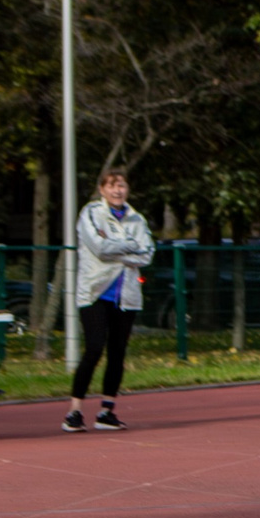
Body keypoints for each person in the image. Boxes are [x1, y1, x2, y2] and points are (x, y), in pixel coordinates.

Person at [63, 170, 154, 433]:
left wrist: (117, 248)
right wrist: (129, 245)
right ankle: (74, 411)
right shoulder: (91, 213)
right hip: (95, 292)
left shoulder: (137, 219)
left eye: (121, 185)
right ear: (102, 189)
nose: (117, 191)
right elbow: (99, 248)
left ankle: (106, 411)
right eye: (112, 186)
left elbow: (147, 254)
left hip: (126, 296)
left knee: (117, 352)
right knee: (94, 348)